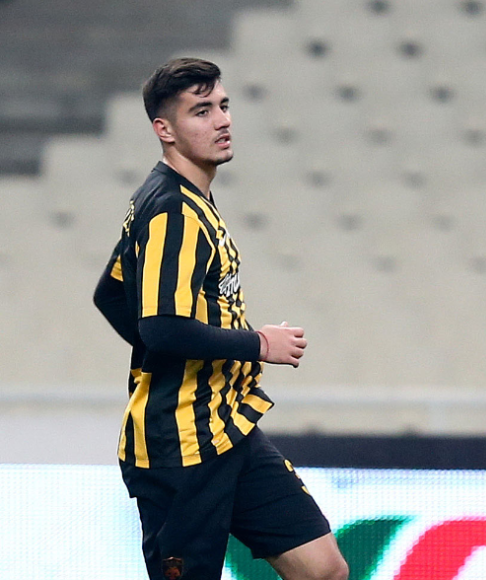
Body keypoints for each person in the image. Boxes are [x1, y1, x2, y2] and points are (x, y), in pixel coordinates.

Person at [93, 57, 349, 580]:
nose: (222, 120)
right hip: (178, 449)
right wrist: (259, 345)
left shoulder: (189, 198)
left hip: (228, 428)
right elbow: (161, 327)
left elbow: (110, 294)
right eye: (201, 111)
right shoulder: (171, 210)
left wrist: (169, 354)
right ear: (164, 129)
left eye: (223, 106)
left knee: (323, 569)